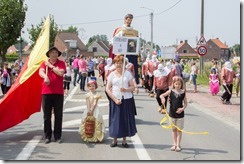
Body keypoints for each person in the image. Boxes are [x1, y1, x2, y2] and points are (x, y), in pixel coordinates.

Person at [105, 55, 137, 148]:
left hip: (126, 99)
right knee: (115, 120)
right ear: (114, 64)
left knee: (125, 120)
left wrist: (126, 89)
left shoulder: (127, 73)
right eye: (117, 62)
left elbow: (133, 86)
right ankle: (114, 140)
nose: (118, 64)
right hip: (115, 99)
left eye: (120, 62)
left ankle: (124, 140)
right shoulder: (111, 74)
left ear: (124, 64)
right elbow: (107, 88)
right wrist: (114, 99)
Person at [39, 47, 66, 144]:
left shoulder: (61, 63)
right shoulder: (44, 63)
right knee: (47, 116)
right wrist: (45, 76)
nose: (54, 54)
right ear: (49, 54)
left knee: (58, 115)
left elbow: (61, 73)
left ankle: (58, 136)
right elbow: (40, 72)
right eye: (52, 52)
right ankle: (47, 136)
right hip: (46, 92)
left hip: (58, 93)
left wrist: (50, 66)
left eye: (55, 52)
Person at [160, 76, 188, 152]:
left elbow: (186, 103)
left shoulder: (183, 93)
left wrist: (182, 109)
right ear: (174, 84)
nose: (177, 86)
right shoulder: (171, 91)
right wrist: (162, 98)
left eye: (179, 84)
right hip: (172, 114)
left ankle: (178, 145)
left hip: (180, 115)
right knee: (173, 130)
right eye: (176, 84)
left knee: (179, 130)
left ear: (181, 84)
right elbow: (162, 95)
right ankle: (174, 144)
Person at [110, 14, 139, 84]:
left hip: (131, 54)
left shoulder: (135, 32)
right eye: (128, 20)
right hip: (121, 53)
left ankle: (131, 82)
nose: (129, 21)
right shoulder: (119, 30)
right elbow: (113, 41)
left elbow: (137, 43)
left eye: (131, 20)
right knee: (120, 67)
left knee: (130, 69)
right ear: (125, 20)